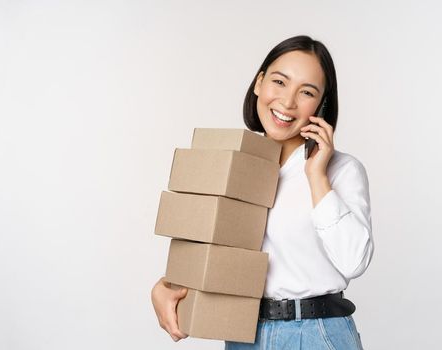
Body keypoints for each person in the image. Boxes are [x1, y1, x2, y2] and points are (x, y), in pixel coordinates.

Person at [151, 35, 374, 349]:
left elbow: (354, 262)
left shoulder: (341, 170)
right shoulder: (234, 163)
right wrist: (166, 286)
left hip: (314, 334)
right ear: (259, 83)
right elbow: (213, 254)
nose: (287, 102)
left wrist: (316, 176)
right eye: (280, 82)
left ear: (321, 103)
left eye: (307, 91)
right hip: (245, 333)